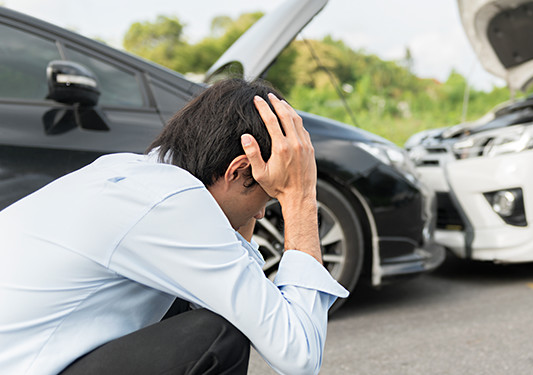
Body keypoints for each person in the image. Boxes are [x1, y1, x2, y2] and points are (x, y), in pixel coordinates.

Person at [0, 78, 349, 374]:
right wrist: (299, 195)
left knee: (195, 305)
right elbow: (299, 354)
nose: (260, 215)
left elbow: (239, 291)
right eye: (267, 198)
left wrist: (247, 203)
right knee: (217, 335)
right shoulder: (174, 203)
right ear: (239, 170)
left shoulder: (131, 173)